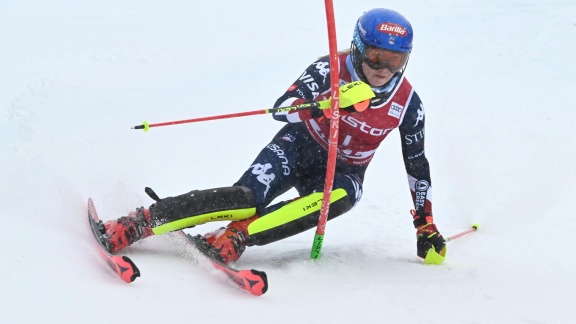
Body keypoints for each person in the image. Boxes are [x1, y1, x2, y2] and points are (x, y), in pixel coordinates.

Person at [102, 8, 446, 264]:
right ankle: (140, 222)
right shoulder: (330, 68)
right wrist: (329, 105)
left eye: (395, 61)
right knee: (245, 200)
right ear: (358, 48)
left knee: (341, 197)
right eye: (375, 56)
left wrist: (424, 224)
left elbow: (417, 164)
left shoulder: (407, 104)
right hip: (298, 146)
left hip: (345, 171)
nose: (383, 70)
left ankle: (237, 236)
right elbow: (283, 108)